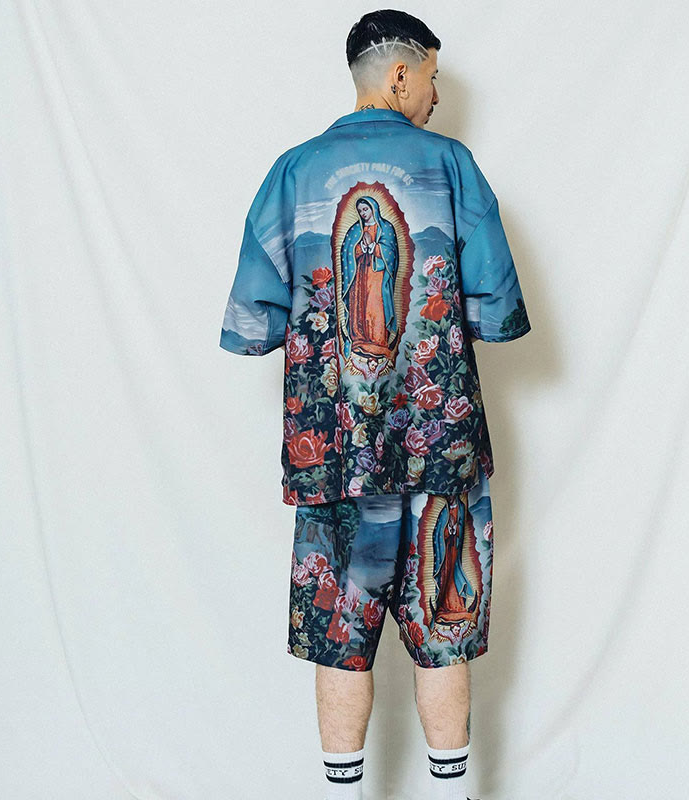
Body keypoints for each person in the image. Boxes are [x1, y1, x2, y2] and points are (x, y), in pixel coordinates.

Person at [219, 10, 531, 800]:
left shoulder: (292, 173)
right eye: (432, 77)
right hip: (439, 448)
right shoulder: (451, 165)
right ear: (400, 74)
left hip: (334, 456)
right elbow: (497, 311)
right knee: (444, 629)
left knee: (339, 635)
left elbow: (252, 324)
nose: (436, 95)